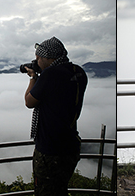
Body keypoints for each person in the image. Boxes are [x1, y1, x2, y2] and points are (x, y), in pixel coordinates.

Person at [24, 37, 88, 196]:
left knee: (45, 192)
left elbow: (29, 102)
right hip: (71, 145)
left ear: (49, 58)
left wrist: (33, 78)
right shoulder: (78, 72)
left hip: (50, 149)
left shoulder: (50, 75)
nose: (37, 60)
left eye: (39, 57)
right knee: (60, 190)